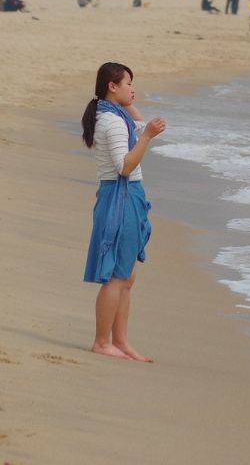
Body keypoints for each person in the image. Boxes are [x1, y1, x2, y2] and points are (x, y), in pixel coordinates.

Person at [81, 61, 166, 360]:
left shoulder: (115, 115)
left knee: (127, 277)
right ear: (111, 87)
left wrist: (131, 108)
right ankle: (102, 342)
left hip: (130, 194)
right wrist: (146, 138)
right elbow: (124, 166)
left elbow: (140, 126)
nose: (133, 88)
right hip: (121, 195)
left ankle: (120, 340)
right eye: (127, 83)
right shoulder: (112, 121)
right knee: (117, 276)